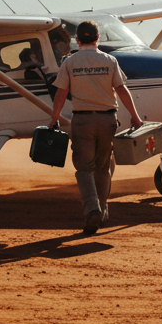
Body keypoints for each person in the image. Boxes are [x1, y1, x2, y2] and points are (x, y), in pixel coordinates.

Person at [49, 20, 143, 234]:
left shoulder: (70, 62)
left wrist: (54, 118)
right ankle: (101, 210)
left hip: (83, 121)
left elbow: (61, 93)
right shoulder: (110, 60)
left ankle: (92, 210)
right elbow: (121, 90)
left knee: (84, 169)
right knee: (103, 169)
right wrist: (135, 117)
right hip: (108, 120)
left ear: (78, 40)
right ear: (98, 38)